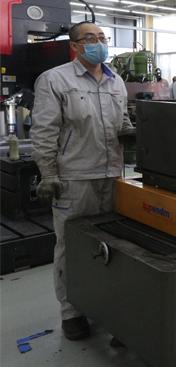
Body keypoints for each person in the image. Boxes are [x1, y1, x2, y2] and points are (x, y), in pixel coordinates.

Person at [31, 22, 135, 341]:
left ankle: (104, 305)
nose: (98, 43)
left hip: (112, 175)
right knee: (71, 247)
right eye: (90, 38)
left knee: (111, 246)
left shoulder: (116, 80)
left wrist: (131, 132)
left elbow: (122, 119)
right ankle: (71, 312)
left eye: (102, 37)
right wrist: (48, 173)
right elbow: (44, 131)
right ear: (74, 46)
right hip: (74, 179)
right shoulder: (55, 79)